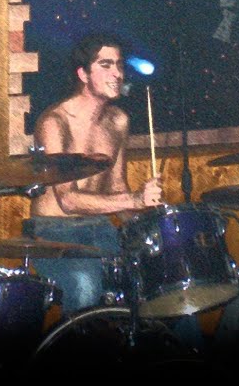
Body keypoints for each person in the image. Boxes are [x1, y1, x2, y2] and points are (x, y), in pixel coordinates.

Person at [24, 33, 164, 318]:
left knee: (160, 273)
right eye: (106, 65)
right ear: (83, 74)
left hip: (99, 227)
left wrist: (147, 223)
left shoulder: (118, 121)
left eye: (119, 65)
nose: (118, 74)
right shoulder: (55, 122)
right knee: (85, 283)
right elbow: (68, 200)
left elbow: (116, 187)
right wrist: (136, 200)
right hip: (52, 233)